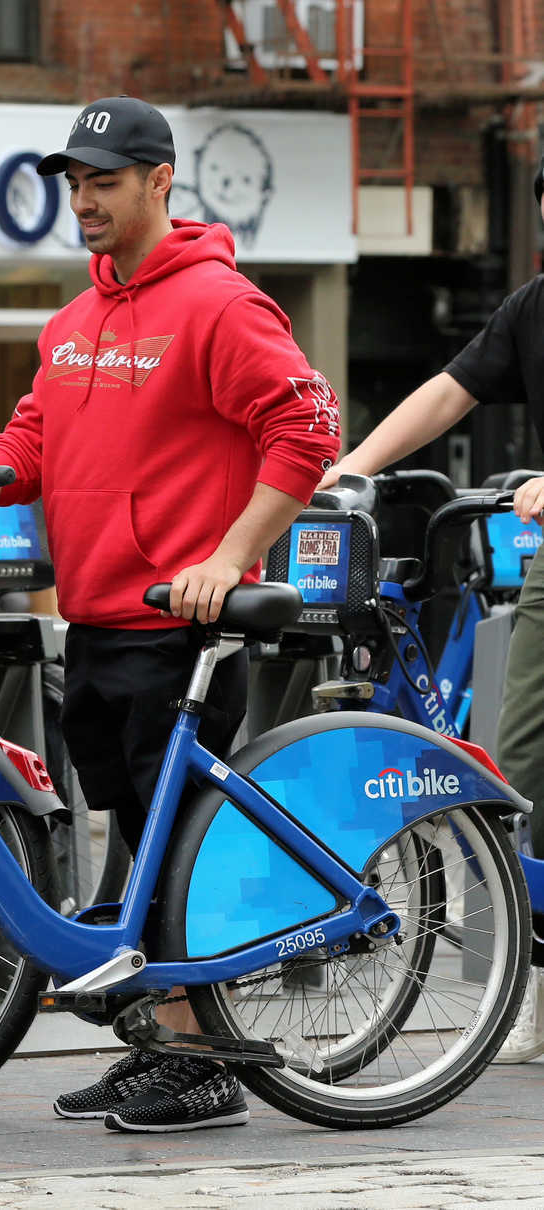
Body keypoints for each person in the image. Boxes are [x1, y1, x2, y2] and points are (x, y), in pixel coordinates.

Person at [0, 95, 340, 1133]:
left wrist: (230, 553)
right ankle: (162, 1038)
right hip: (93, 614)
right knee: (133, 827)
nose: (82, 201)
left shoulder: (217, 304)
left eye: (104, 182)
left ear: (159, 181)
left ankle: (204, 1065)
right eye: (73, 184)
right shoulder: (73, 321)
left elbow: (306, 428)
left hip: (179, 618)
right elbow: (29, 447)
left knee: (170, 841)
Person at [318, 153, 544, 1065]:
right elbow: (451, 389)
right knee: (521, 767)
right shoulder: (532, 308)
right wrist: (354, 466)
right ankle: (534, 993)